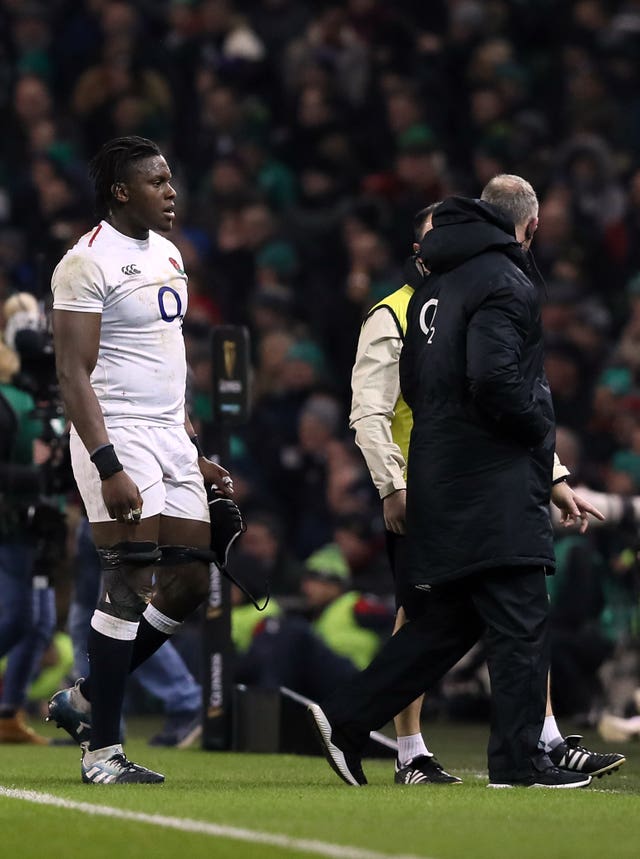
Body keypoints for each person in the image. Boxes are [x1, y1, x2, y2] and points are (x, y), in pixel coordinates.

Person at [307, 175, 611, 789]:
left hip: (441, 474)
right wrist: (537, 430)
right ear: (529, 227)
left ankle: (346, 718)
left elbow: (422, 391)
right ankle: (520, 761)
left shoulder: (429, 294)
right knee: (521, 613)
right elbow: (496, 381)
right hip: (491, 481)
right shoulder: (505, 281)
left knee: (449, 621)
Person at [47, 136, 234, 784]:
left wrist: (193, 449)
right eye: (156, 181)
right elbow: (72, 372)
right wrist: (107, 464)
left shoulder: (171, 254)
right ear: (121, 191)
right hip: (116, 430)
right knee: (128, 582)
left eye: (171, 179)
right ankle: (103, 751)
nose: (171, 191)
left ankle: (87, 697)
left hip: (167, 434)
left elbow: (168, 362)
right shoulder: (84, 262)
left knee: (188, 581)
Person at [0, 340, 56, 745]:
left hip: (37, 525)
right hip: (12, 523)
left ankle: (7, 712)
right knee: (20, 619)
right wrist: (36, 475)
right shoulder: (10, 405)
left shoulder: (34, 405)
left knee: (38, 623)